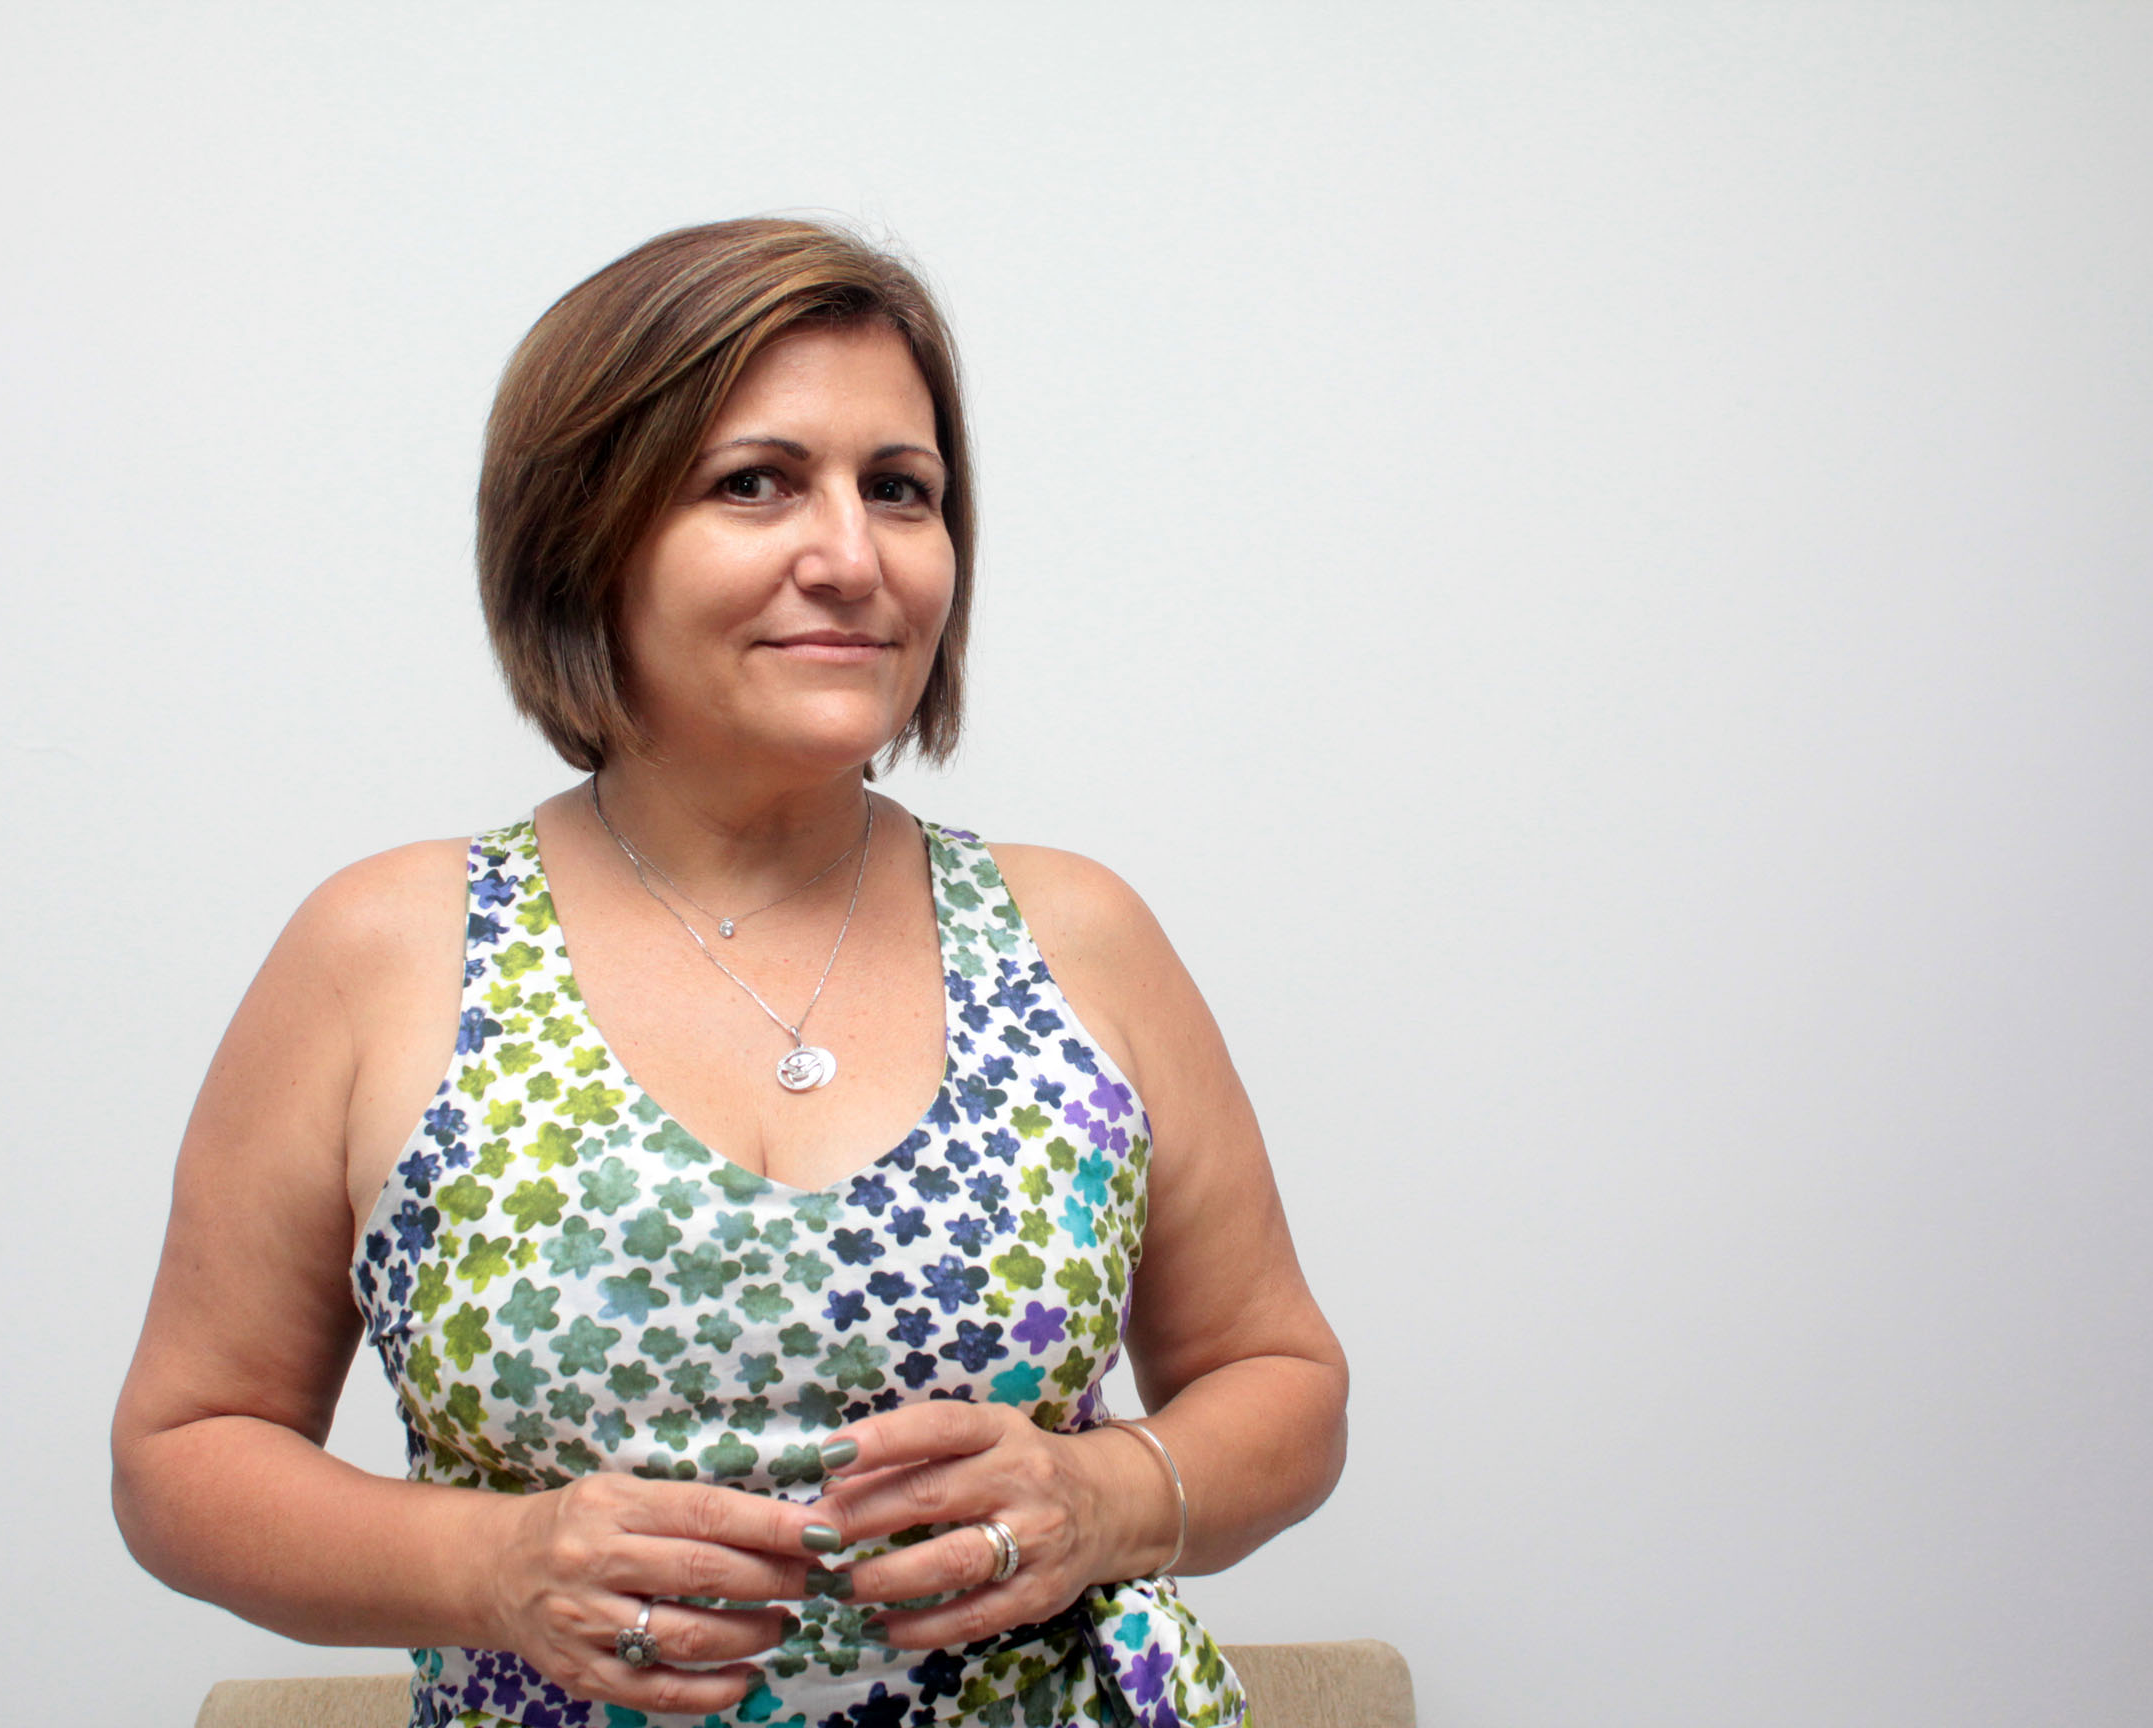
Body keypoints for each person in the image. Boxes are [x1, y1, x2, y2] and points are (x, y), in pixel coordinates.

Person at [111, 217, 1347, 1728]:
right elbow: (183, 1456)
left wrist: (1113, 1495)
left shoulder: (1080, 932)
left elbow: (1282, 1381)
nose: (852, 557)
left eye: (900, 489)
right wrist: (491, 1566)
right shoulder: (382, 950)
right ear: (588, 534)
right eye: (754, 483)